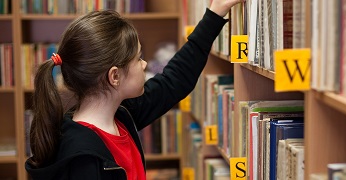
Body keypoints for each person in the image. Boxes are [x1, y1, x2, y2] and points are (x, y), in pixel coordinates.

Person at [25, 0, 243, 179]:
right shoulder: (84, 159)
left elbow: (174, 81)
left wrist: (214, 14)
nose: (145, 64)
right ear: (115, 76)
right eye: (138, 58)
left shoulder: (121, 114)